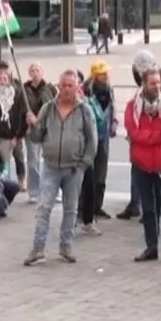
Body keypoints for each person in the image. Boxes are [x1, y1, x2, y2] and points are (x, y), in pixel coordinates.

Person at [23, 70, 98, 266]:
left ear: (77, 88)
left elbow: (93, 141)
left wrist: (83, 165)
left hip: (74, 168)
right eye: (63, 85)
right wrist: (32, 126)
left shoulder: (84, 110)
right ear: (58, 86)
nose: (66, 89)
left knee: (70, 209)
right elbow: (36, 138)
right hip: (50, 167)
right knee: (43, 207)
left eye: (70, 85)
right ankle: (38, 248)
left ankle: (66, 246)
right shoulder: (48, 108)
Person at [122, 69, 161, 262]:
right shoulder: (133, 106)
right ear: (144, 84)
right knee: (148, 208)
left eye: (158, 83)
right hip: (142, 163)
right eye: (153, 83)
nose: (157, 86)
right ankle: (151, 246)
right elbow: (133, 131)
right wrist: (156, 136)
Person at [79, 61, 116, 234]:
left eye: (106, 73)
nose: (106, 76)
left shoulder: (109, 90)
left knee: (101, 174)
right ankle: (84, 209)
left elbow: (112, 107)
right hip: (90, 137)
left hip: (104, 136)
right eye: (103, 74)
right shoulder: (86, 91)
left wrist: (114, 123)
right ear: (95, 75)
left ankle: (97, 207)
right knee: (88, 176)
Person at [18, 63, 57, 199]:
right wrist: (26, 118)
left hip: (46, 128)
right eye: (32, 71)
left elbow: (53, 106)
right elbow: (20, 107)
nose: (35, 73)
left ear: (42, 72)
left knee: (51, 162)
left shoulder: (49, 88)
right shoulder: (24, 89)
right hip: (32, 130)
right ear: (29, 74)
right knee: (33, 161)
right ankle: (34, 191)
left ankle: (53, 190)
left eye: (37, 70)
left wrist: (39, 118)